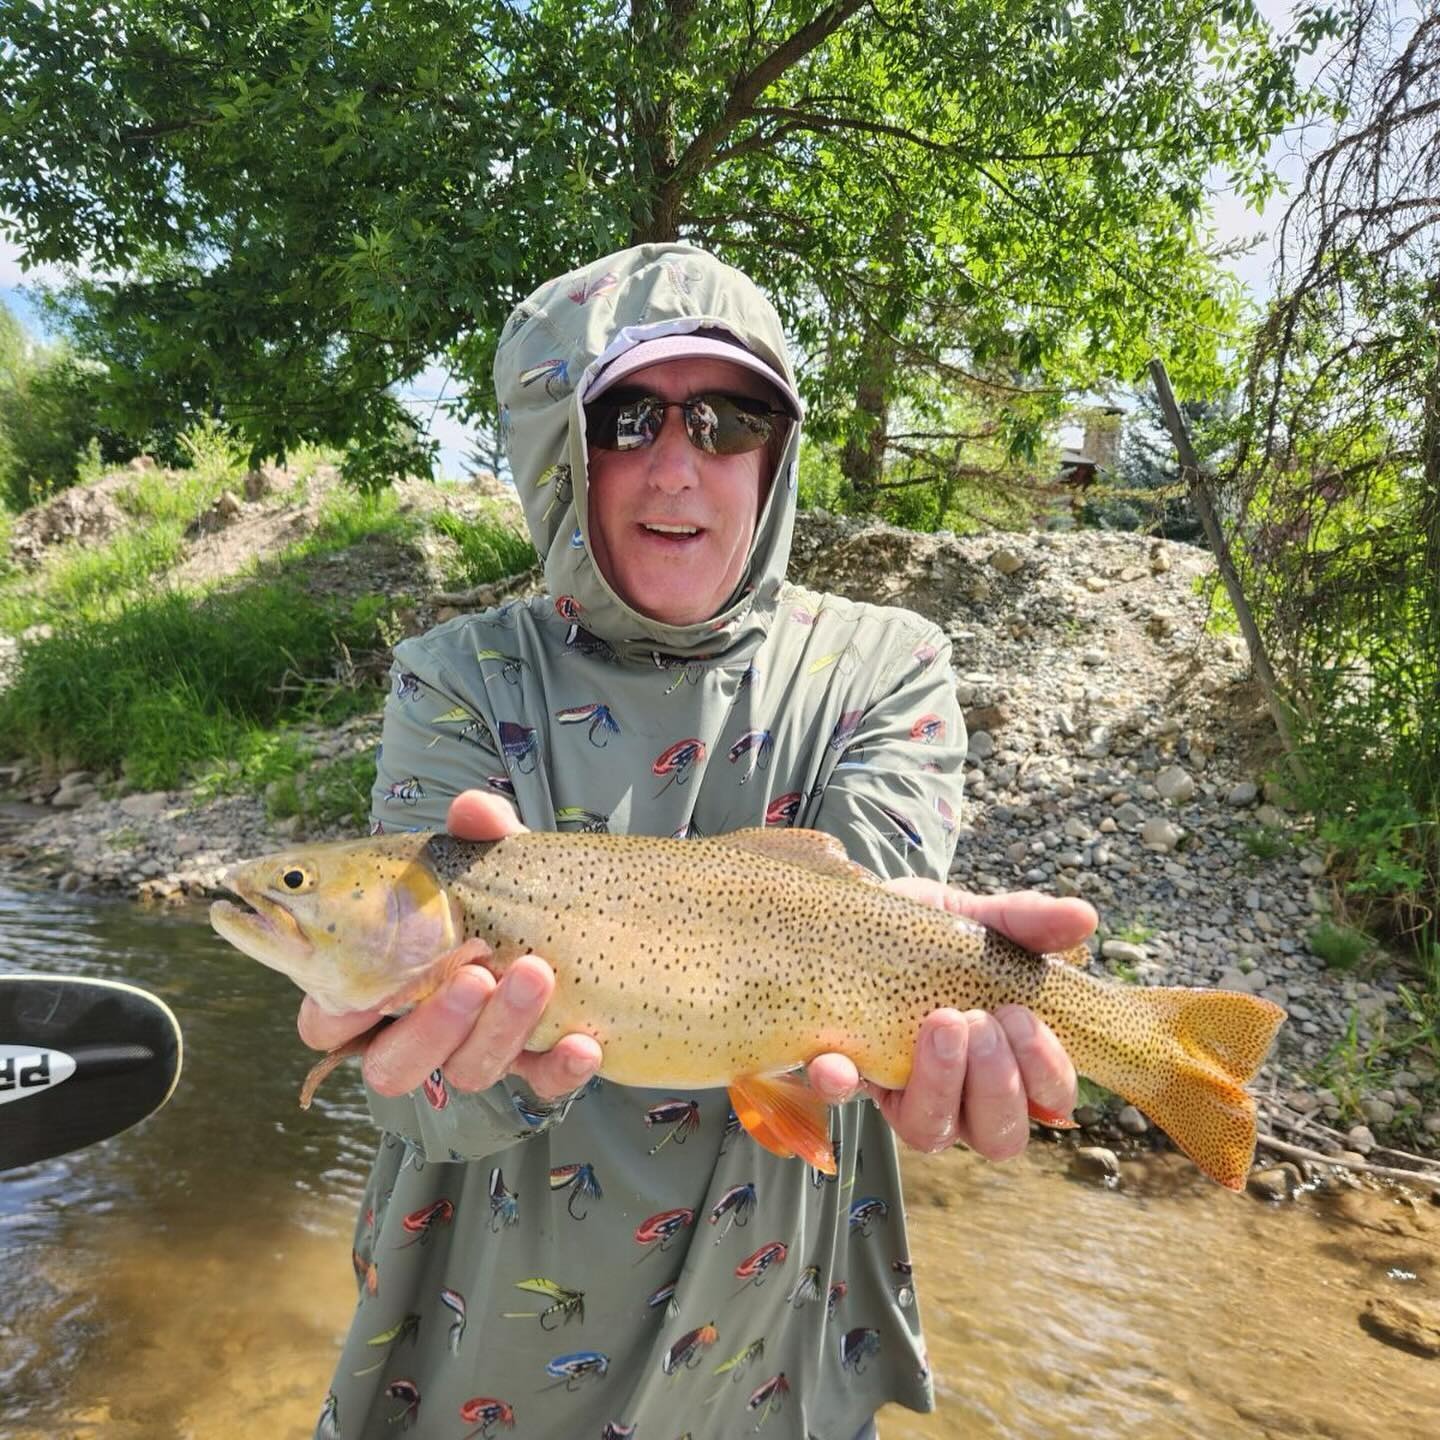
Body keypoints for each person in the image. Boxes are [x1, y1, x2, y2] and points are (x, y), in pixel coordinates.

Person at [299, 243, 1092, 1440]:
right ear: (559, 451)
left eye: (729, 420)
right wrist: (425, 1054)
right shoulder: (454, 680)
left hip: (766, 1315)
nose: (678, 467)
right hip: (482, 1329)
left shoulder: (886, 667)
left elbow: (873, 935)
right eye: (624, 418)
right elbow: (421, 1107)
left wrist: (959, 1021)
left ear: (777, 449)